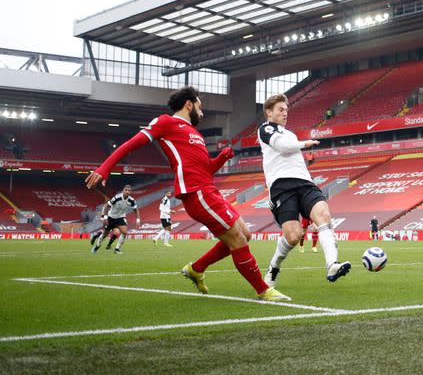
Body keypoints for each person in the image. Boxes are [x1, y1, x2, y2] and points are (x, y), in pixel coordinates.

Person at [85, 86, 288, 301]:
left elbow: (206, 169)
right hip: (196, 193)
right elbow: (130, 144)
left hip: (209, 190)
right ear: (189, 104)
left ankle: (196, 268)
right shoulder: (166, 122)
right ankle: (263, 290)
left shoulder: (195, 134)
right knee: (238, 239)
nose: (202, 113)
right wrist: (104, 168)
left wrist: (222, 158)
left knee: (245, 235)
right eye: (200, 107)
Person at [258, 94, 351, 288]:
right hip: (282, 186)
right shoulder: (266, 129)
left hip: (304, 182)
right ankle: (273, 268)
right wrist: (304, 144)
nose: (285, 113)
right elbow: (281, 147)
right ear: (269, 112)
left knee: (323, 215)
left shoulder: (290, 134)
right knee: (294, 235)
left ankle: (332, 264)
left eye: (286, 110)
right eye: (280, 110)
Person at [90, 185, 140, 254]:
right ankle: (97, 247)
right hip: (111, 217)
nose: (127, 192)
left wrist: (138, 220)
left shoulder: (131, 200)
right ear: (123, 191)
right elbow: (107, 206)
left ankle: (117, 249)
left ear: (131, 191)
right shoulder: (117, 197)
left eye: (129, 190)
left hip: (120, 217)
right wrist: (105, 218)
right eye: (126, 190)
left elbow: (136, 210)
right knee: (104, 235)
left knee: (124, 233)